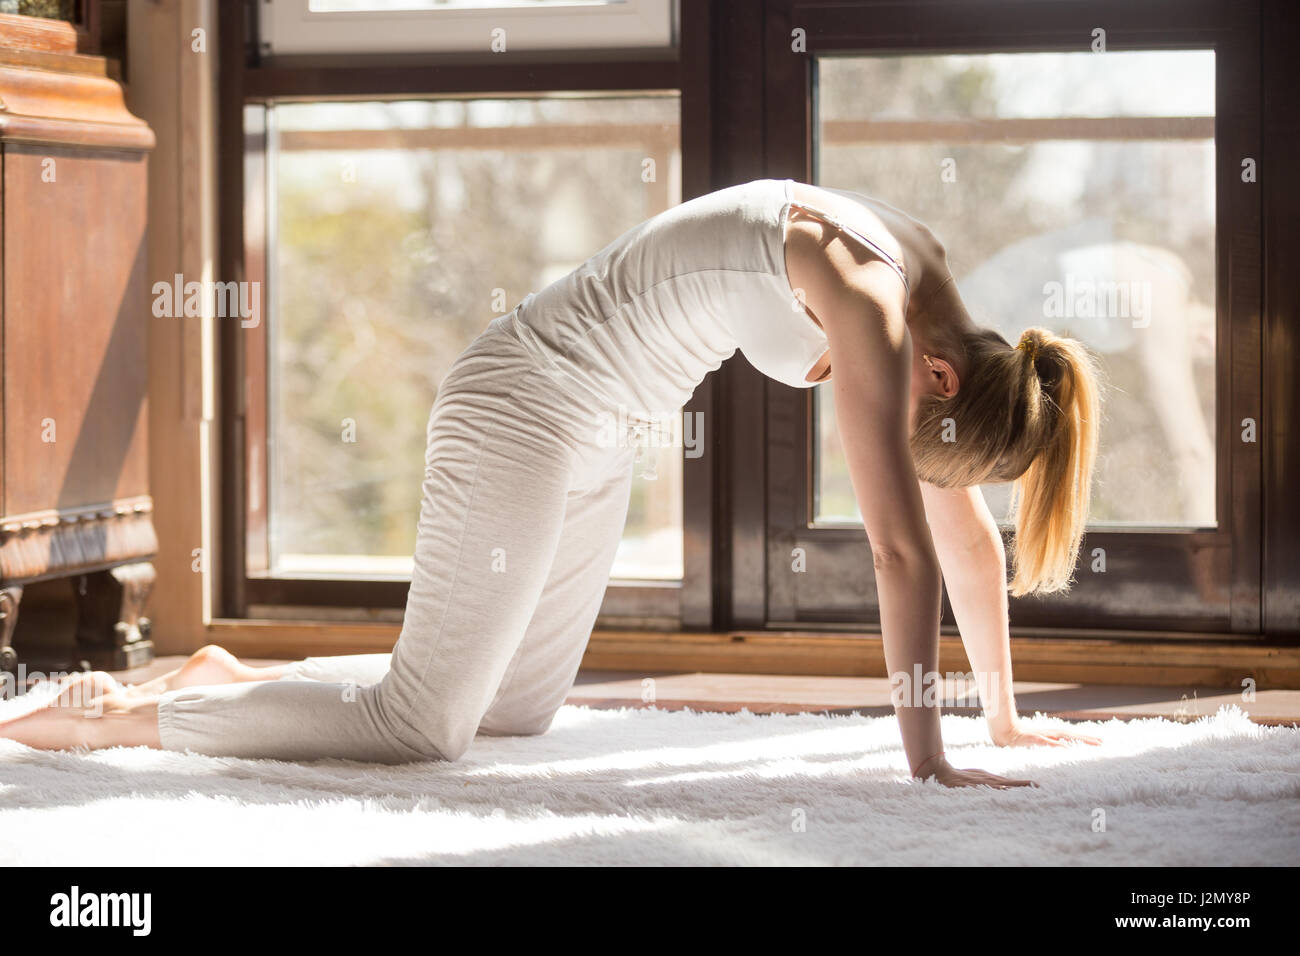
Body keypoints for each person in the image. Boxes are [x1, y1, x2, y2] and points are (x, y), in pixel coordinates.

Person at [2, 179, 1102, 786]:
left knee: (515, 713)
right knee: (419, 728)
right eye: (920, 448)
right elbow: (900, 548)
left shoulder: (941, 321)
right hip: (520, 403)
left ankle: (229, 668)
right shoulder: (867, 293)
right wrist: (928, 758)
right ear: (941, 378)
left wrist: (999, 714)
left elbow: (956, 534)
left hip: (604, 435)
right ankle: (136, 718)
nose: (907, 470)